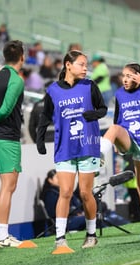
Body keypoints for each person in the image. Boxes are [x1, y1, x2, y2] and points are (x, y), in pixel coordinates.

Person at [36, 50, 107, 254]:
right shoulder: (53, 91)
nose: (86, 68)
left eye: (86, 65)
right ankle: (60, 240)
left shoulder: (90, 86)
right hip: (64, 147)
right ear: (68, 65)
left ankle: (91, 235)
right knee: (65, 192)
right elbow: (45, 116)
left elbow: (102, 109)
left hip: (88, 146)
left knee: (85, 193)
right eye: (82, 64)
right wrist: (40, 139)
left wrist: (93, 114)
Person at [0, 40, 33, 248]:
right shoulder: (16, 80)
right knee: (8, 186)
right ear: (22, 57)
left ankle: (2, 234)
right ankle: (2, 237)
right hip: (7, 137)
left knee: (7, 186)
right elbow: (7, 108)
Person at [100, 62, 140, 238]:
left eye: (128, 76)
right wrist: (118, 143)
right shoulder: (119, 94)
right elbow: (118, 119)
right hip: (127, 137)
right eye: (123, 76)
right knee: (114, 129)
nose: (124, 79)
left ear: (137, 76)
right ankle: (99, 160)